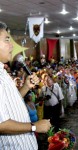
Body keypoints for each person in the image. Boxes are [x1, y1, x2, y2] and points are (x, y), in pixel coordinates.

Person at [0, 21, 51, 149]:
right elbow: (1, 125)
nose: (12, 46)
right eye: (7, 40)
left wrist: (26, 87)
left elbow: (10, 101)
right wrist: (34, 126)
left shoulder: (3, 72)